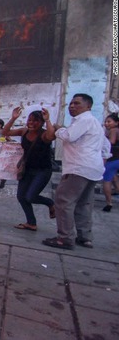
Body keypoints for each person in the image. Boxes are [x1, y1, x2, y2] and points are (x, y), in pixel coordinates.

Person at [42, 94, 108, 250]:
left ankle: (64, 238)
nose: (72, 106)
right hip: (92, 168)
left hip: (79, 168)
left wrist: (59, 129)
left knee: (64, 201)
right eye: (71, 103)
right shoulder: (95, 123)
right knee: (84, 203)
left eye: (77, 103)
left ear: (88, 106)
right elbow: (105, 148)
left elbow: (69, 136)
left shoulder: (84, 120)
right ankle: (85, 237)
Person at [2, 108, 56, 231]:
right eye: (29, 120)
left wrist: (48, 120)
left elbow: (51, 135)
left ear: (41, 122)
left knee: (31, 196)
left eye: (35, 121)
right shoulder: (24, 131)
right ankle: (31, 223)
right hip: (27, 170)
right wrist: (13, 118)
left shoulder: (44, 134)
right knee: (21, 197)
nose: (31, 123)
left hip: (43, 170)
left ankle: (50, 203)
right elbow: (5, 132)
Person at [102, 113, 119, 212]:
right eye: (106, 122)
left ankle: (109, 203)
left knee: (106, 180)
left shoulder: (113, 130)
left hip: (113, 159)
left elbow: (111, 142)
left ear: (116, 122)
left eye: (109, 121)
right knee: (114, 177)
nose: (106, 124)